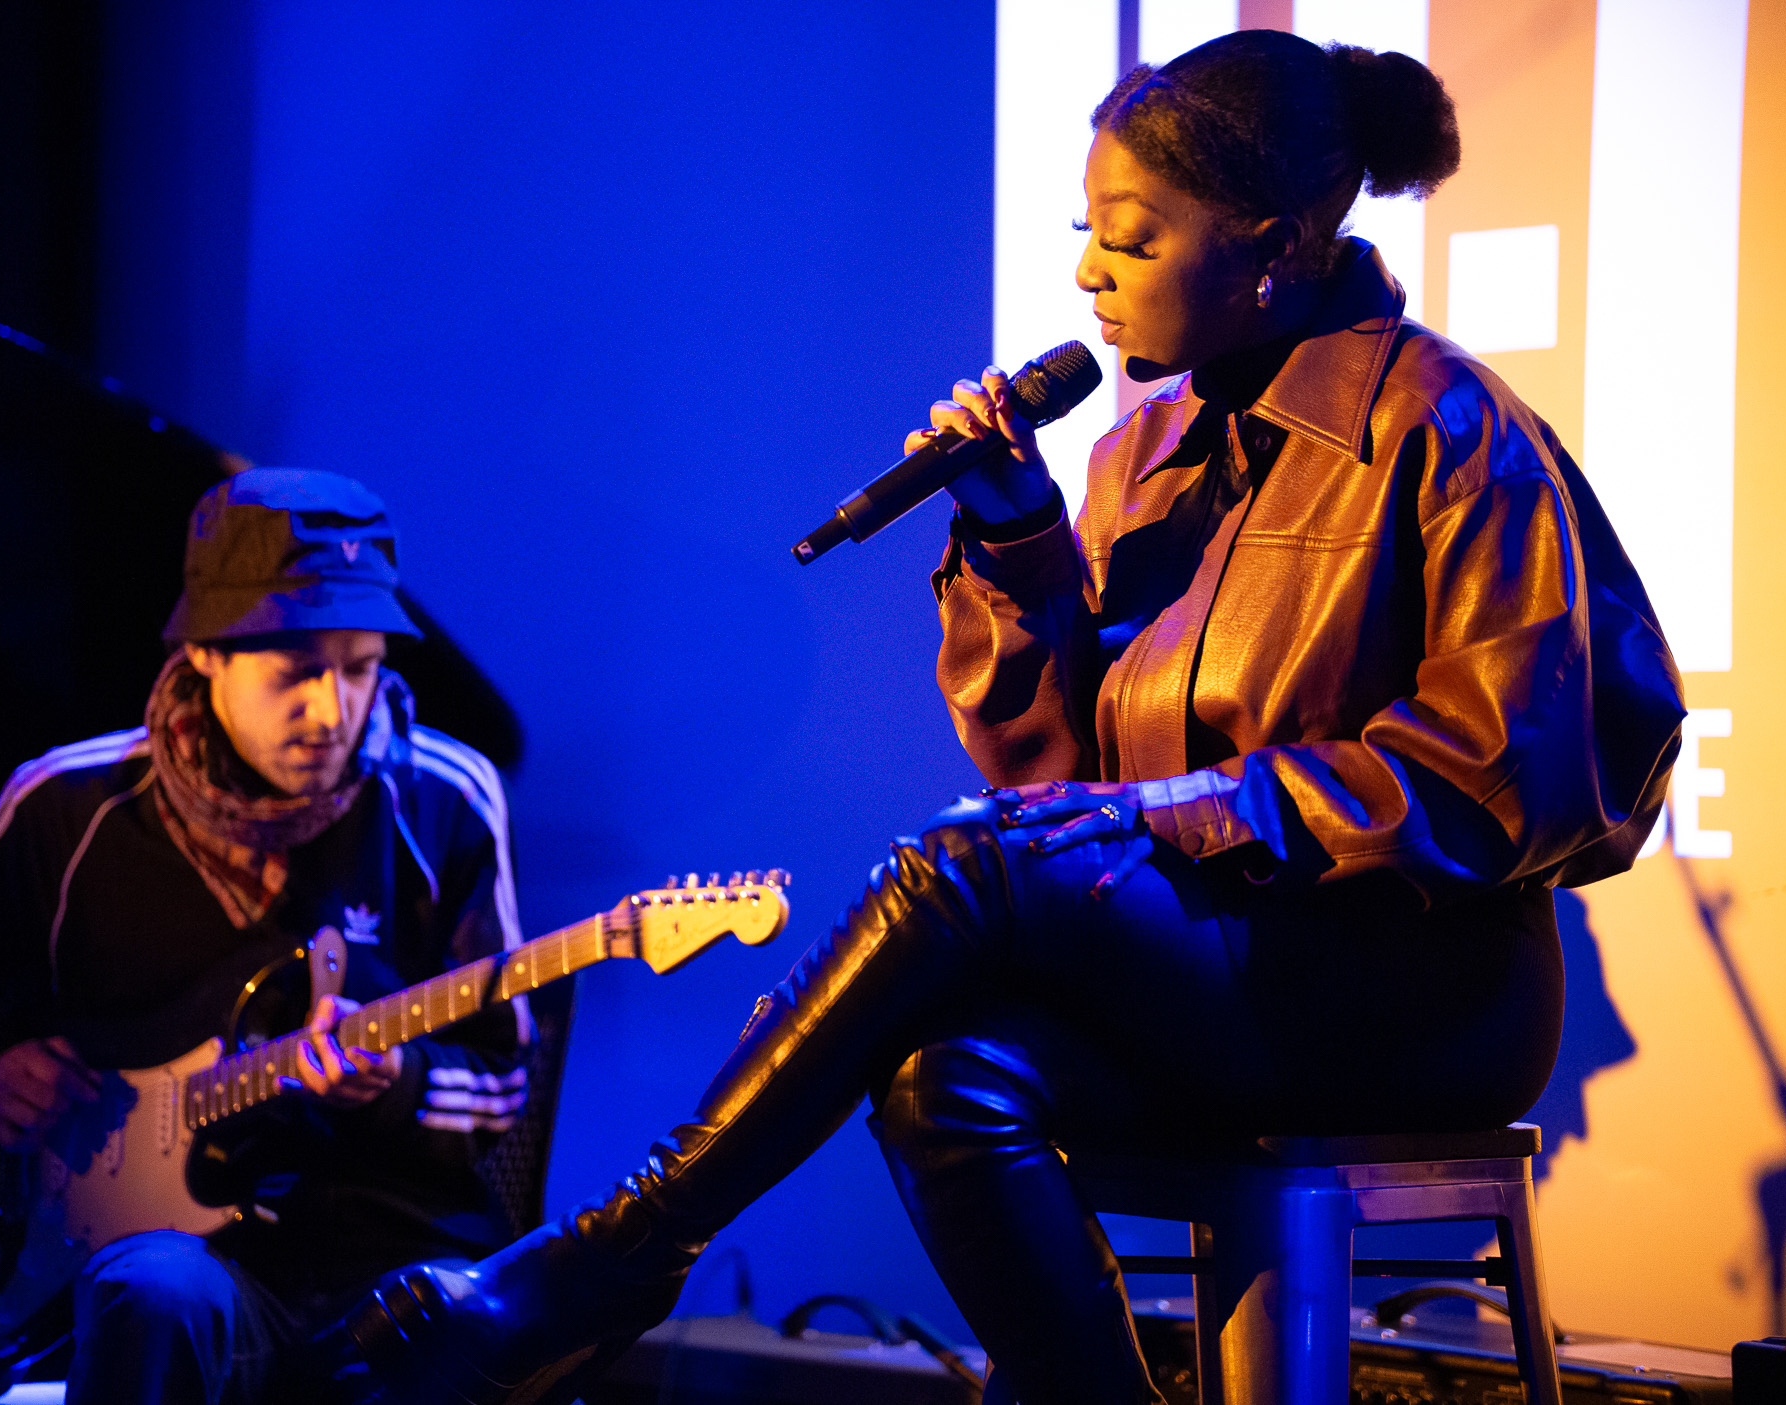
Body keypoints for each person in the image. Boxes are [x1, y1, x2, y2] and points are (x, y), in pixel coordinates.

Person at [315, 31, 1684, 1405]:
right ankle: (624, 1270)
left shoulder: (1444, 424)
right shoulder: (1140, 454)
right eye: (1087, 234)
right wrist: (1017, 533)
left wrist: (1195, 810)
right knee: (940, 1081)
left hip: (1417, 990)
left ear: (1266, 246)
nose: (1090, 274)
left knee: (965, 861)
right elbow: (1061, 779)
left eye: (1131, 239)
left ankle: (611, 1257)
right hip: (1220, 970)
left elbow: (1527, 767)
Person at [0, 469, 535, 1404]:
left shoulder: (447, 798)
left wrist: (395, 1082)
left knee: (472, 1332)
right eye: (294, 669)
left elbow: (503, 1079)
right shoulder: (68, 805)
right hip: (170, 1259)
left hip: (386, 1254)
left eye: (359, 667)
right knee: (153, 1295)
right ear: (204, 653)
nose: (332, 710)